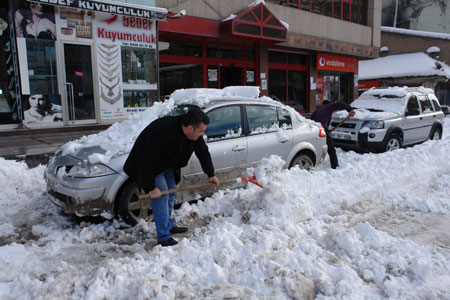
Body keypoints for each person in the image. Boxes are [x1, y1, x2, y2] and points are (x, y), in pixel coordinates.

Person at [124, 107, 219, 247]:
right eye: (201, 131)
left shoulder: (194, 135)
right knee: (161, 196)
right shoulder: (164, 132)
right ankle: (163, 237)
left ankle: (167, 225)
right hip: (151, 165)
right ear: (189, 129)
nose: (203, 134)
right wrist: (151, 187)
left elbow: (203, 152)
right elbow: (144, 160)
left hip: (167, 163)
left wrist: (210, 174)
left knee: (171, 192)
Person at [311, 100, 355, 169]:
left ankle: (312, 165)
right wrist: (350, 110)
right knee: (331, 149)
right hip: (320, 129)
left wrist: (327, 130)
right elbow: (340, 103)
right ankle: (335, 166)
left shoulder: (317, 111)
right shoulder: (328, 108)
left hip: (313, 130)